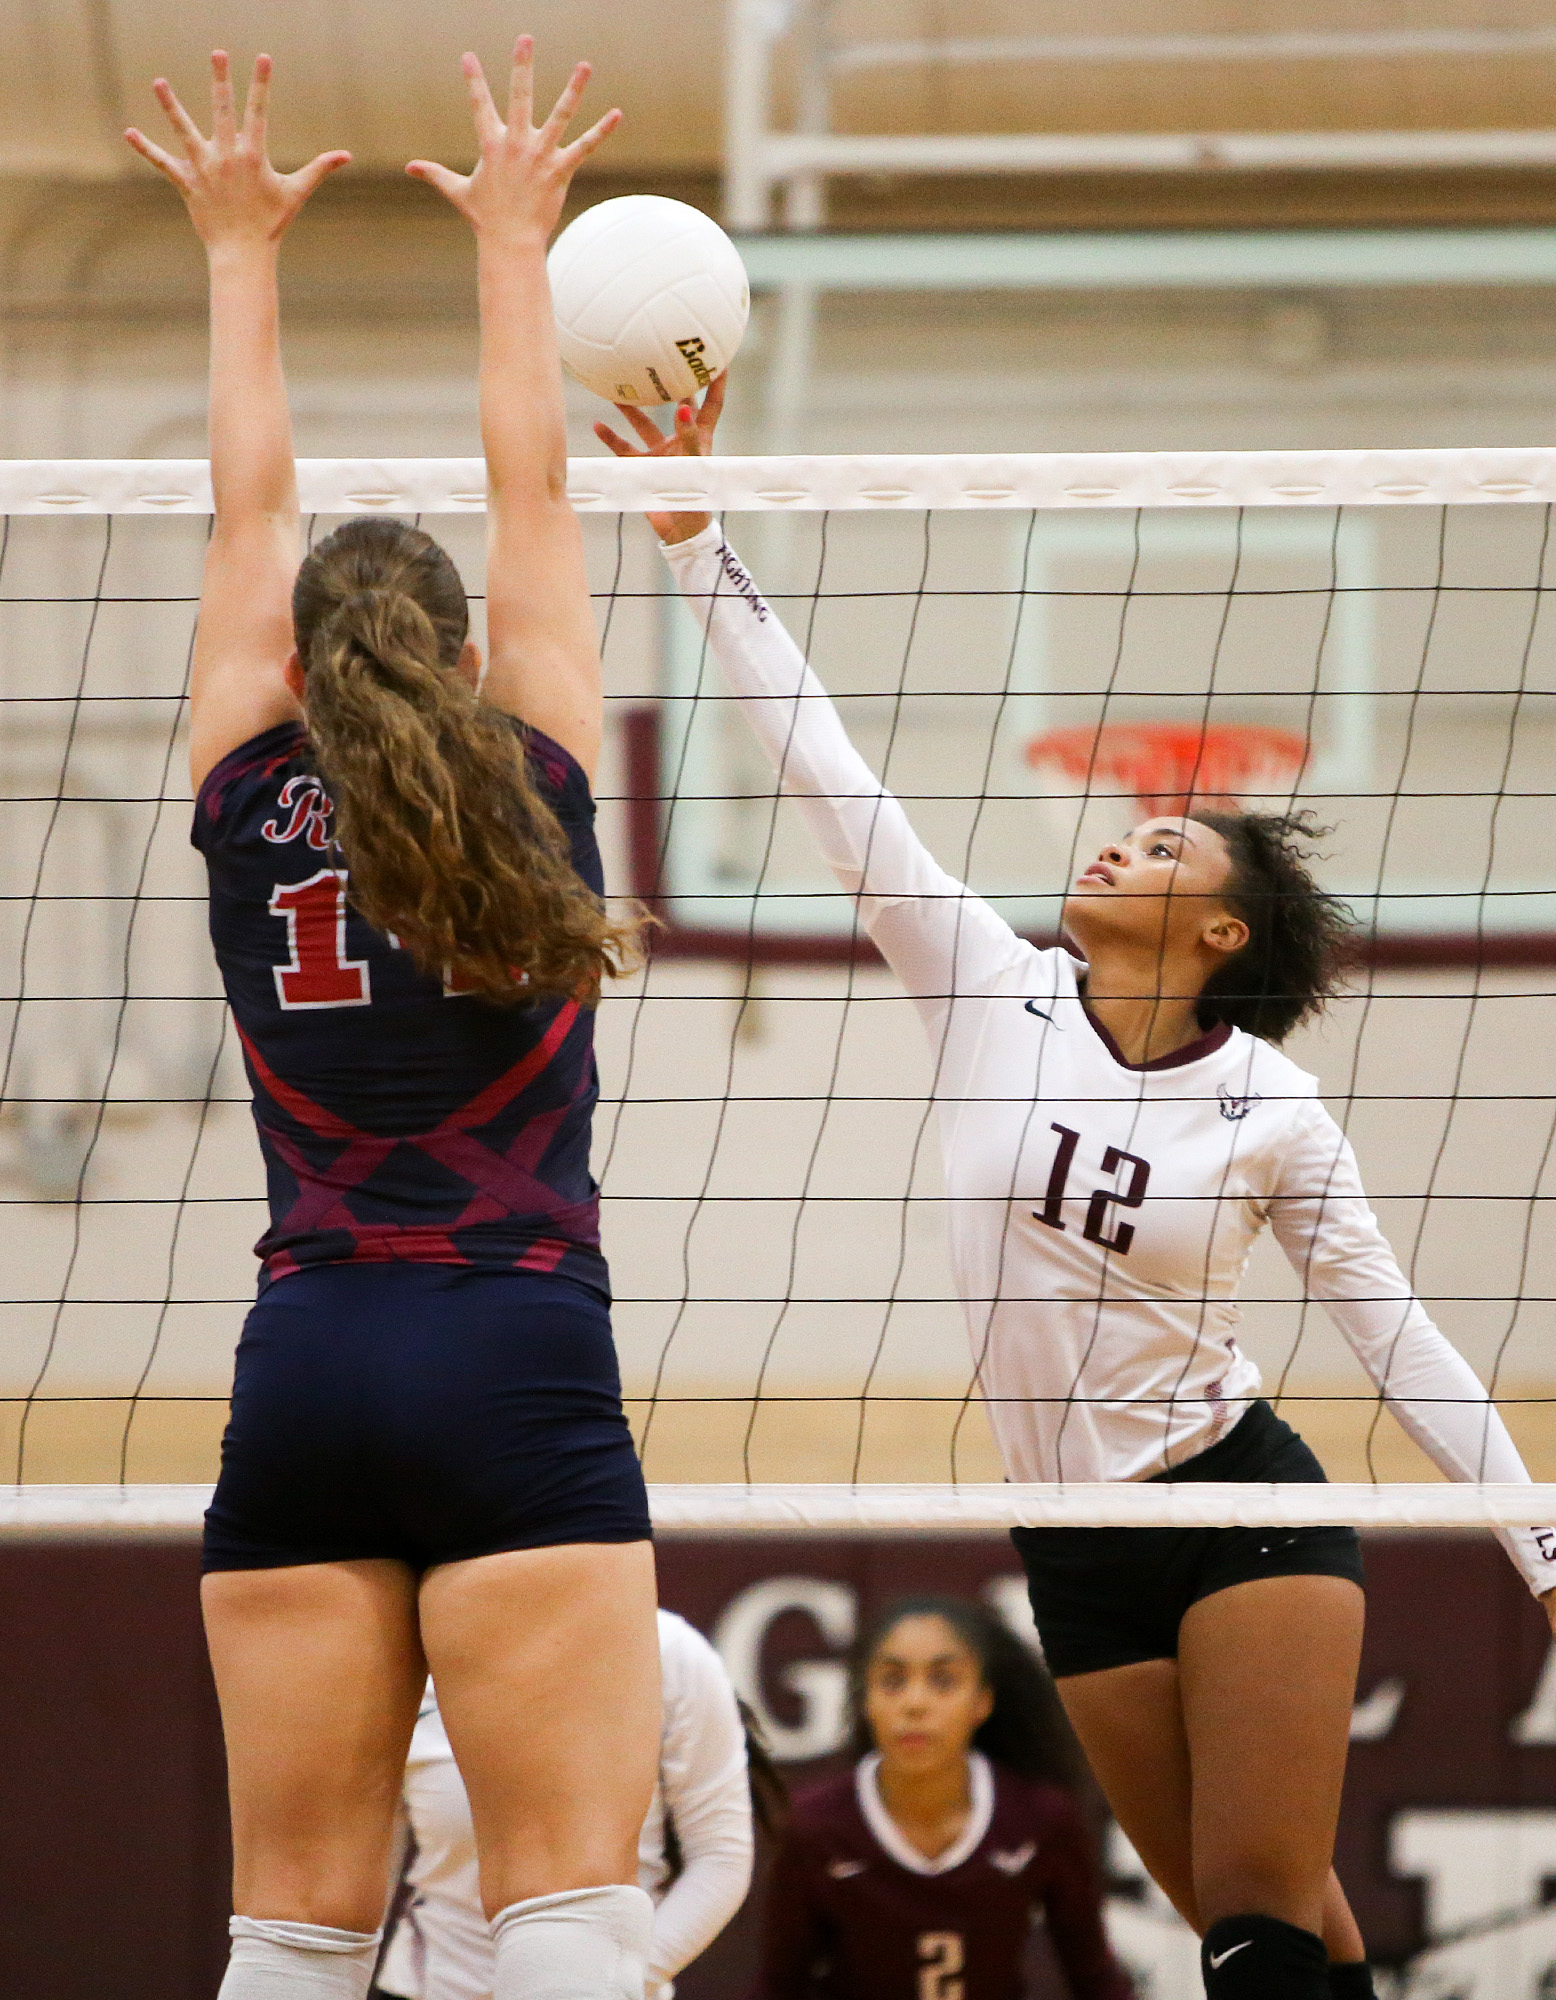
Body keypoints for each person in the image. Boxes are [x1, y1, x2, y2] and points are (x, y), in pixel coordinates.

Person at [597, 382, 1556, 2000]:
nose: (1118, 846)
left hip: (1235, 1505)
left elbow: (1402, 1348)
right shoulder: (985, 984)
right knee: (1277, 1927)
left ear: (1221, 934)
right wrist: (697, 540)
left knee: (1250, 1925)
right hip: (1070, 1538)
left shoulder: (1272, 1113)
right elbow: (826, 772)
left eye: (1165, 850)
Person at [125, 41, 662, 2000]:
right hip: (515, 1351)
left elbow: (244, 501)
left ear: (292, 656)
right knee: (562, 1904)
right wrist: (517, 244)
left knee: (289, 1925)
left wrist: (235, 249)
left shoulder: (240, 776)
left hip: (309, 1367)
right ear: (462, 648)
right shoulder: (537, 767)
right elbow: (535, 481)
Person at [376, 1609, 774, 2000]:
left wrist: (606, 1988)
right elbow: (367, 1860)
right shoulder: (410, 1656)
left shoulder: (669, 1649)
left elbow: (720, 1857)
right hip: (430, 1987)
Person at [760, 1596, 1130, 2000]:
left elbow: (1095, 1979)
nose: (915, 1704)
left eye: (943, 1680)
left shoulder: (1040, 1819)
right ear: (866, 1700)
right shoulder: (814, 1828)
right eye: (892, 1681)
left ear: (982, 1702)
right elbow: (777, 1987)